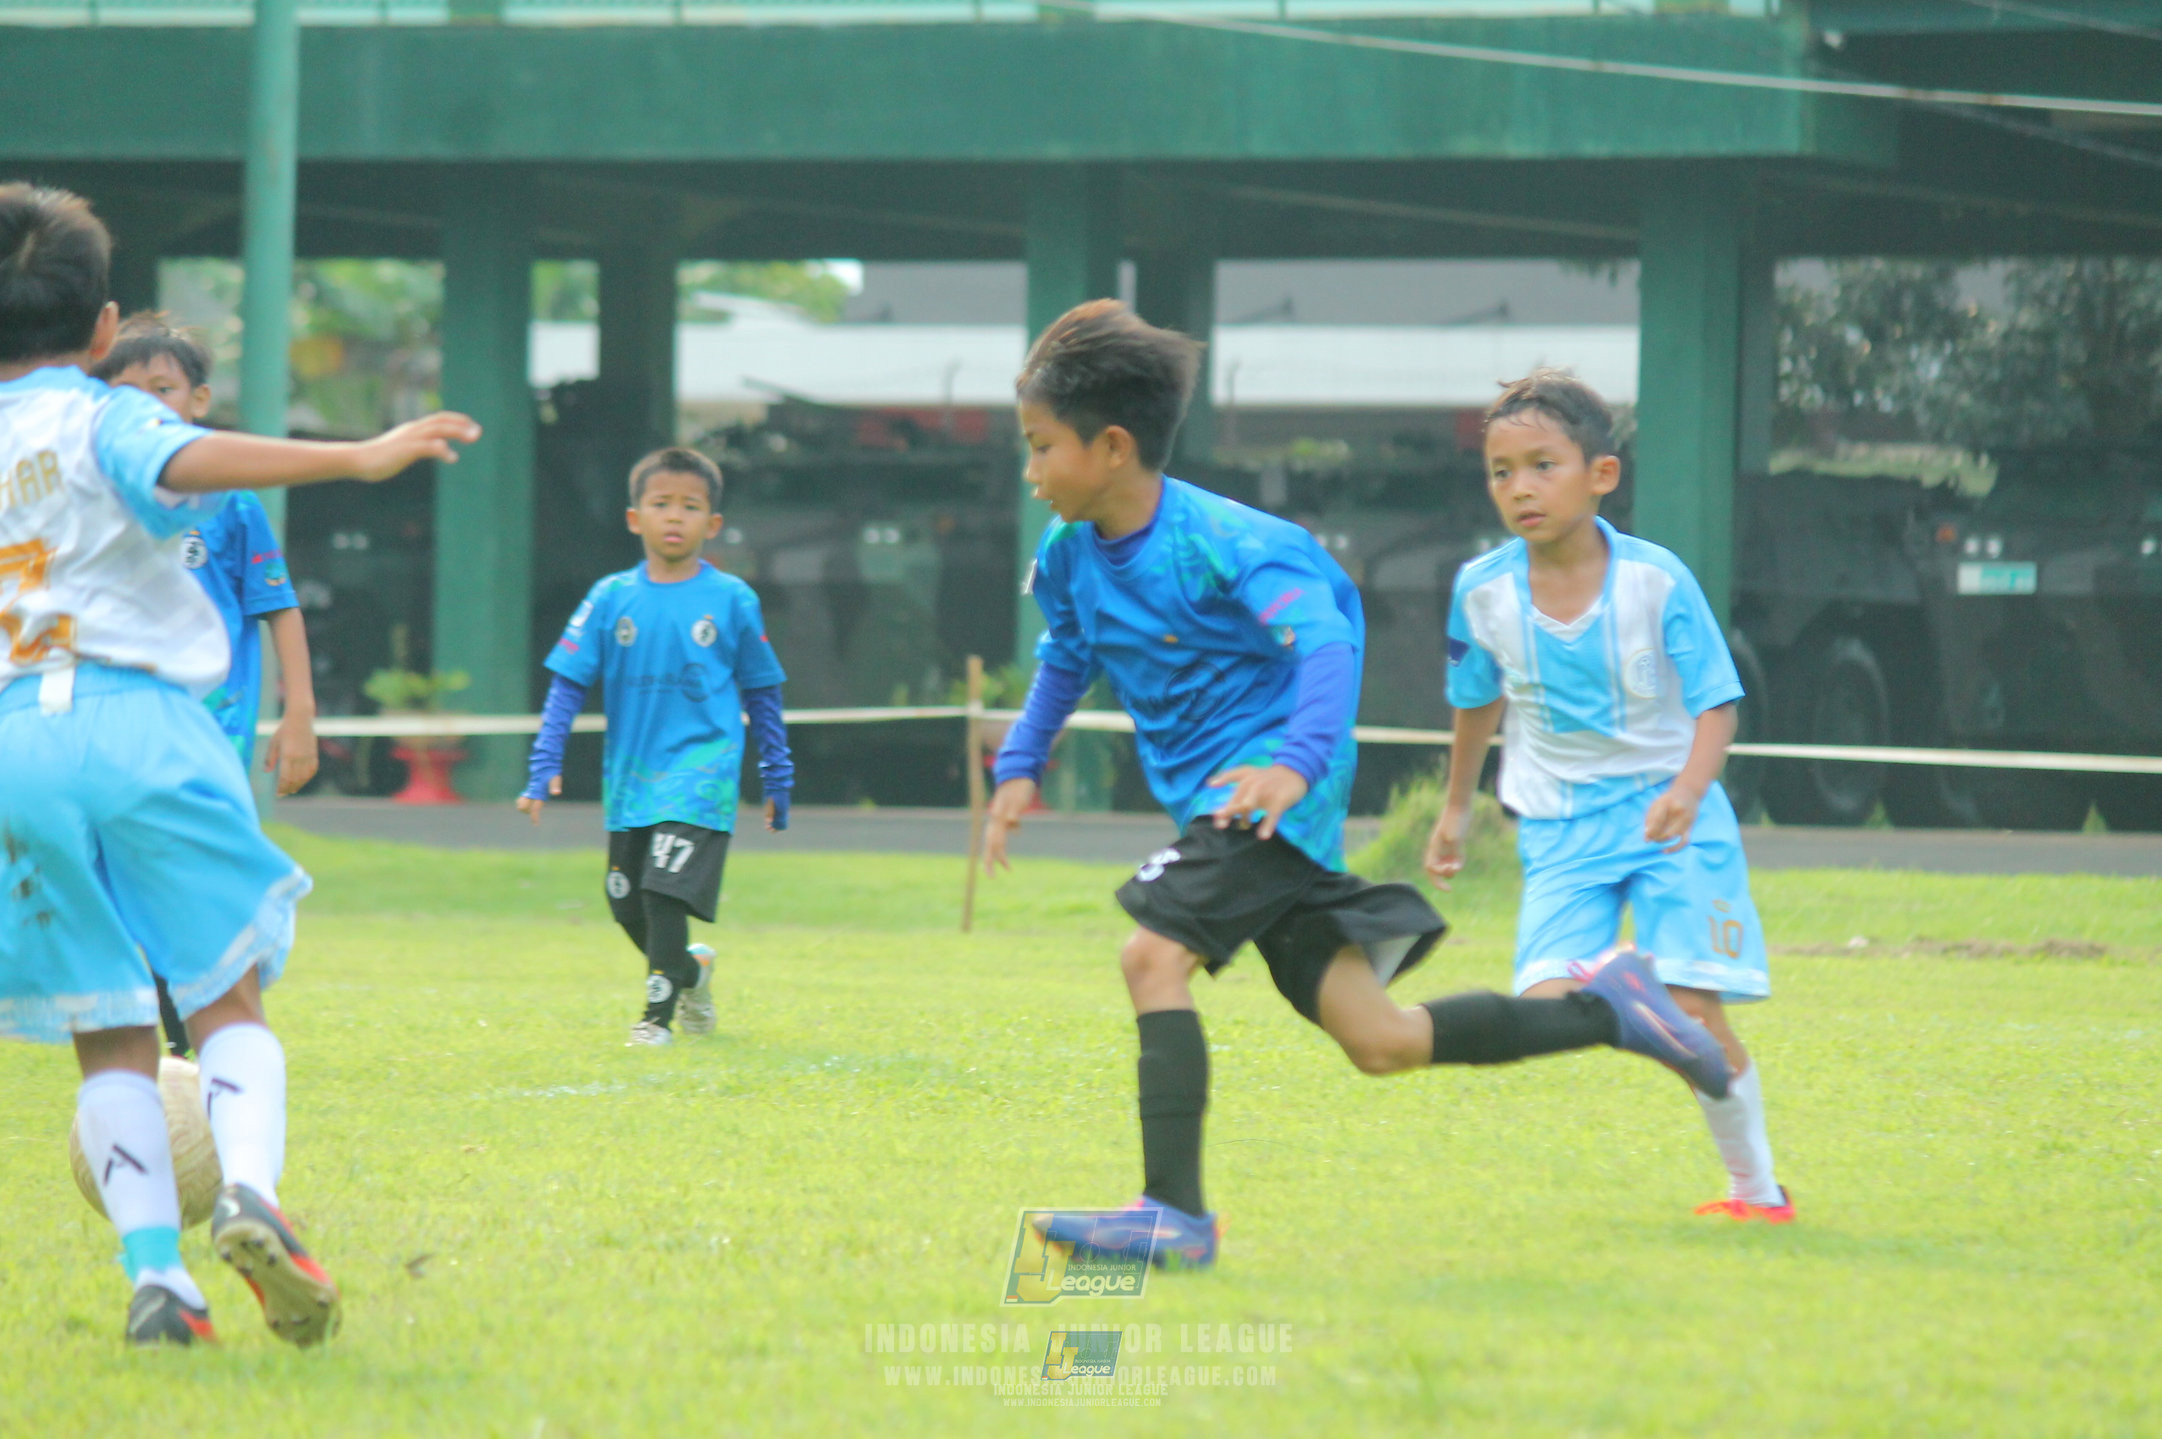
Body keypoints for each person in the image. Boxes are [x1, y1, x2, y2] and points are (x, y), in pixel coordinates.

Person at [984, 302, 1733, 1272]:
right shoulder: (1068, 558)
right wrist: (1017, 766)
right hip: (1241, 808)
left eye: (1041, 447)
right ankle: (1611, 1008)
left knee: (1148, 958)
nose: (1031, 470)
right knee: (1379, 1039)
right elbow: (1063, 658)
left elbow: (1325, 644)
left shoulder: (1229, 541)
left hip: (1260, 797)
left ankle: (1172, 1212)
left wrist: (1293, 762)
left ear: (1112, 445)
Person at [0, 181, 479, 1345]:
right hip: (141, 720)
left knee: (107, 1028)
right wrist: (358, 454)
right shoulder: (97, 410)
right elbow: (182, 454)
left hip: (17, 742)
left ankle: (159, 1278)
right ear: (108, 331)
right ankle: (254, 1191)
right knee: (223, 992)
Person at [1424, 368, 1791, 1224]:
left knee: (1694, 1009)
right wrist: (1456, 806)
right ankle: (1622, 985)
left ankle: (1757, 1192)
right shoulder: (1479, 589)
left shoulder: (1656, 580)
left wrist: (1692, 791)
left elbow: (1717, 702)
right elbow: (1476, 698)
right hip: (1556, 824)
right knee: (1544, 1009)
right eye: (1501, 471)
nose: (1520, 488)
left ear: (1601, 475)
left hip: (1671, 817)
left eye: (1543, 465)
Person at [92, 313, 320, 1061]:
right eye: (126, 390)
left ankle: (207, 1037)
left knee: (197, 889)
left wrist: (299, 716)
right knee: (127, 887)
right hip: (114, 735)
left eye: (164, 388)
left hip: (209, 741)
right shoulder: (95, 498)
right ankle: (177, 1041)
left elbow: (277, 607)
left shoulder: (231, 502)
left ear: (198, 401)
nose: (146, 404)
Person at [518, 446, 794, 1047]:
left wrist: (778, 776)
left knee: (662, 890)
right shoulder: (611, 596)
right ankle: (692, 972)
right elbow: (567, 686)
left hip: (703, 772)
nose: (675, 516)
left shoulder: (732, 600)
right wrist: (543, 768)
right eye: (661, 503)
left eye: (690, 507)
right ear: (634, 517)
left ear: (712, 524)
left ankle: (655, 1020)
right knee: (624, 900)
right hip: (632, 779)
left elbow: (763, 692)